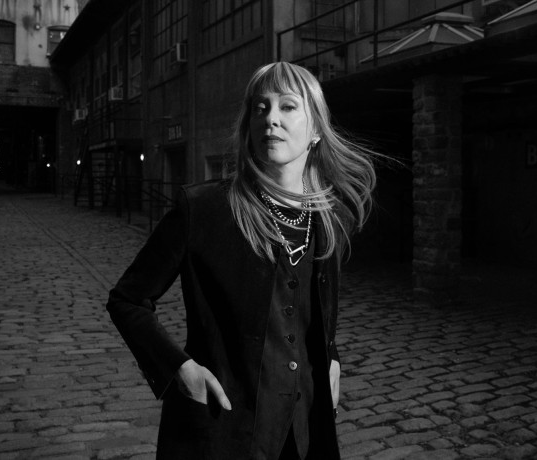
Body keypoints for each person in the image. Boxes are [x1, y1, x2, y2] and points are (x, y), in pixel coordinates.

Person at [106, 61, 378, 459]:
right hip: (226, 430)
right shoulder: (204, 209)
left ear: (316, 130)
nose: (271, 119)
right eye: (260, 108)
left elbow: (315, 312)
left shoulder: (328, 217)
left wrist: (331, 357)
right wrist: (179, 368)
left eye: (288, 106)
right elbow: (127, 299)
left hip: (304, 426)